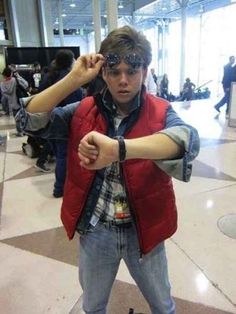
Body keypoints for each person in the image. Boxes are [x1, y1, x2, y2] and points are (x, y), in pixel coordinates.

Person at [24, 26, 200, 314]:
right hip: (97, 231)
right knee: (93, 307)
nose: (123, 80)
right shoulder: (84, 110)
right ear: (103, 72)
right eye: (114, 71)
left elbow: (187, 140)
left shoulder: (160, 110)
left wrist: (119, 149)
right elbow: (29, 120)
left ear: (145, 71)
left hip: (144, 231)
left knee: (163, 306)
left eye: (132, 71)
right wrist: (74, 79)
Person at [38, 49, 83, 197]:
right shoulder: (69, 79)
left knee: (59, 155)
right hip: (63, 120)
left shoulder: (48, 76)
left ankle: (59, 185)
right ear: (70, 62)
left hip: (48, 119)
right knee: (64, 156)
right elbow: (75, 103)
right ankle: (59, 188)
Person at [0, 66, 28, 136]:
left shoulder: (2, 84)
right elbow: (26, 84)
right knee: (24, 117)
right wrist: (18, 76)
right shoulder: (15, 80)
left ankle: (20, 132)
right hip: (20, 101)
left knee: (17, 119)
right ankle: (25, 131)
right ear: (11, 73)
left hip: (11, 104)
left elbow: (4, 94)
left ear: (4, 75)